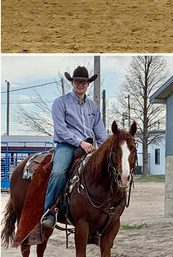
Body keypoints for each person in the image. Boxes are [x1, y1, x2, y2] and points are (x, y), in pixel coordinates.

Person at [41, 65, 107, 228]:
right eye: (77, 81)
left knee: (107, 171)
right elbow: (61, 130)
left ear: (88, 84)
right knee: (58, 172)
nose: (80, 84)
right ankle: (49, 211)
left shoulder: (93, 106)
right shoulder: (60, 103)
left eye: (84, 82)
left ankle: (106, 208)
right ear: (72, 82)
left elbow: (99, 131)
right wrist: (80, 142)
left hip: (90, 146)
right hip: (67, 146)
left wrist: (106, 148)